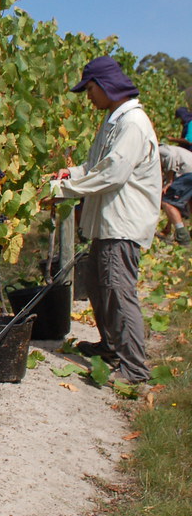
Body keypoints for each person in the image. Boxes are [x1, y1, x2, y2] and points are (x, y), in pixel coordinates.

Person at [44, 56, 161, 384]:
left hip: (122, 226)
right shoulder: (114, 120)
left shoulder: (132, 124)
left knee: (118, 292)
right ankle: (110, 347)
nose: (88, 95)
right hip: (108, 224)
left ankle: (135, 368)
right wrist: (71, 173)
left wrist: (63, 189)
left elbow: (113, 173)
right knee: (99, 286)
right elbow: (97, 165)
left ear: (106, 85)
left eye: (90, 88)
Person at [157, 143, 192, 245]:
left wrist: (169, 181)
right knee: (181, 204)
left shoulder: (157, 149)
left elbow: (169, 155)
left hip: (188, 172)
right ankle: (167, 230)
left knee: (167, 202)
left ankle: (182, 237)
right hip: (188, 171)